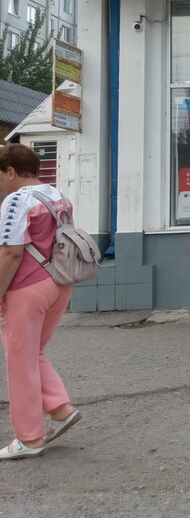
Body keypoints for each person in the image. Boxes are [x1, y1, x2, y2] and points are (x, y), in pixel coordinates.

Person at [0, 144, 81, 460]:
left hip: (27, 288)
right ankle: (61, 410)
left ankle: (30, 438)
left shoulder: (16, 200)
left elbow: (11, 253)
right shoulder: (58, 195)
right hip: (60, 282)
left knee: (19, 362)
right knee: (32, 353)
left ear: (11, 172)